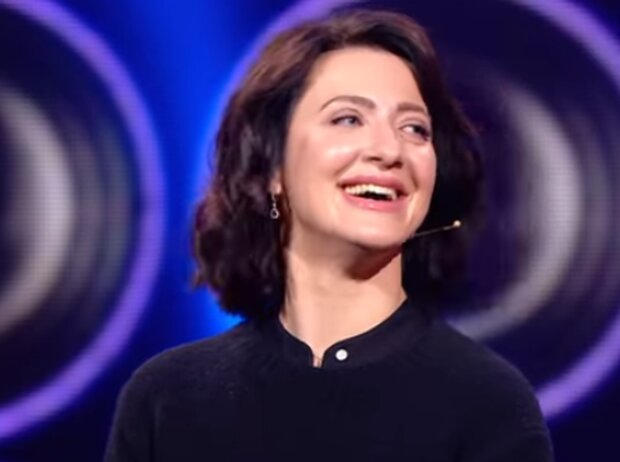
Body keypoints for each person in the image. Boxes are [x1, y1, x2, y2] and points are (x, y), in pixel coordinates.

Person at [105, 9, 554, 461]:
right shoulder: (168, 398)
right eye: (348, 119)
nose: (389, 150)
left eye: (414, 129)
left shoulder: (486, 403)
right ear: (272, 167)